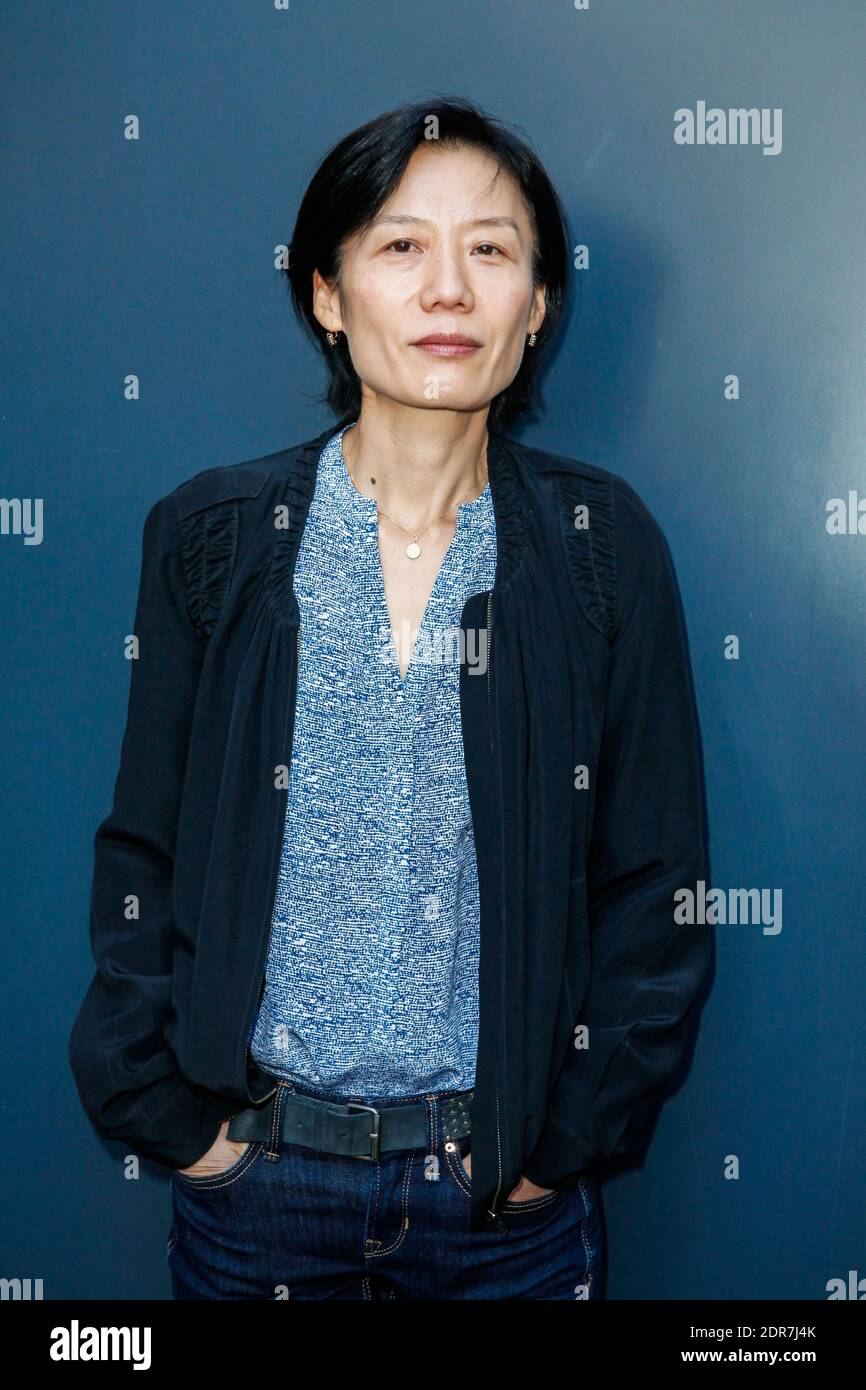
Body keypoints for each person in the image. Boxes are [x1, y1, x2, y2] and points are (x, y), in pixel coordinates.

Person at [69, 96, 712, 1300]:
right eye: (401, 245)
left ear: (536, 304)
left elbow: (654, 883)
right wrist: (179, 1123)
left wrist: (555, 1144)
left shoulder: (598, 545)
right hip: (255, 1183)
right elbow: (142, 845)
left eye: (490, 248)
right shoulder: (214, 537)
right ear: (326, 292)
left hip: (501, 1201)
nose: (448, 289)